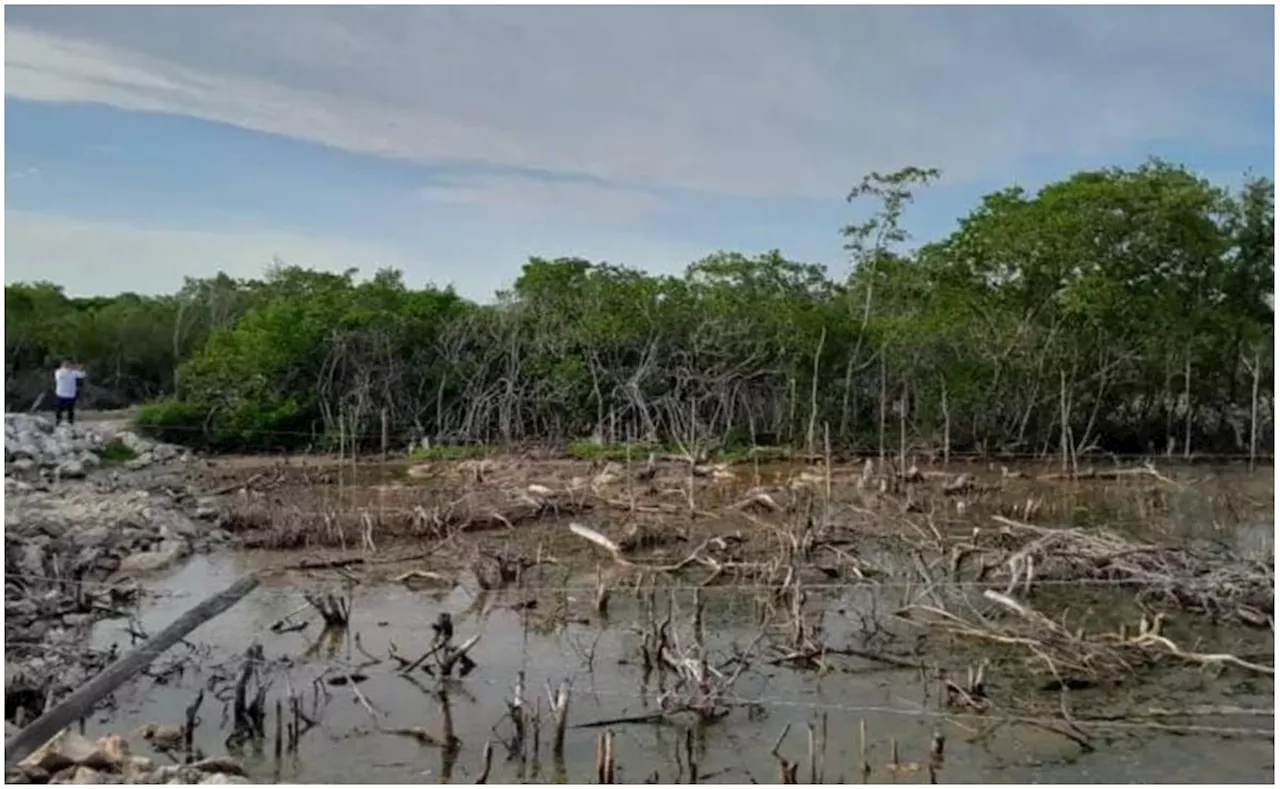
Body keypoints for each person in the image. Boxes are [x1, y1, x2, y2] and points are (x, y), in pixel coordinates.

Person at [53, 361, 86, 426]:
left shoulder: (73, 372)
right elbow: (59, 376)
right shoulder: (59, 372)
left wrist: (80, 369)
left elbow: (82, 375)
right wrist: (73, 369)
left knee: (69, 410)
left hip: (69, 394)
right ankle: (59, 421)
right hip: (61, 394)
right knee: (60, 409)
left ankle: (69, 422)